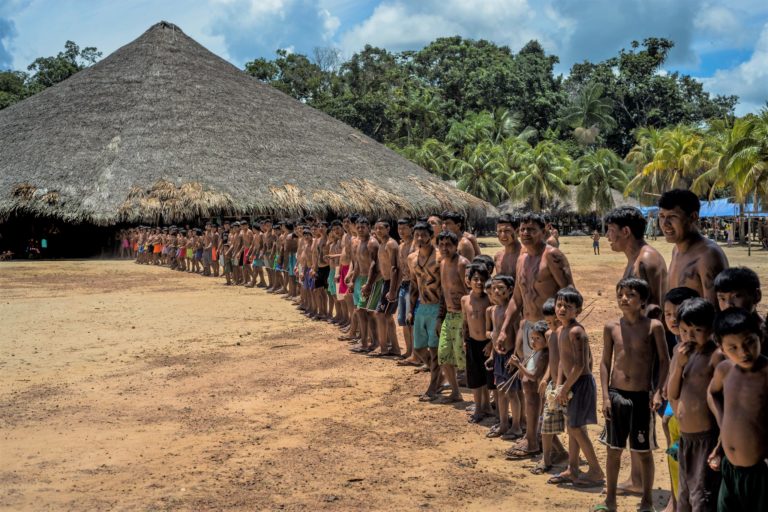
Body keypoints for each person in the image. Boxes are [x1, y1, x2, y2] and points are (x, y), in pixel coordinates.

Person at [596, 278, 669, 512]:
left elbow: (665, 361)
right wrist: (606, 396)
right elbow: (605, 363)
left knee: (644, 451)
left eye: (630, 295)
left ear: (643, 301)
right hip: (617, 395)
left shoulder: (654, 327)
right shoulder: (611, 327)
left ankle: (647, 500)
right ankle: (610, 500)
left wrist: (658, 392)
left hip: (642, 397)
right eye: (620, 294)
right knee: (613, 450)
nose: (624, 299)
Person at [667, 298, 724, 512]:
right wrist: (679, 366)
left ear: (711, 329)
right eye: (684, 330)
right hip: (686, 439)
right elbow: (672, 393)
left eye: (697, 330)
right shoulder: (679, 353)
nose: (689, 336)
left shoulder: (715, 355)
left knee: (703, 497)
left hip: (707, 438)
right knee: (686, 496)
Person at [708, 308, 768, 511]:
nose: (743, 352)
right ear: (721, 349)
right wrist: (722, 421)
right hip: (729, 468)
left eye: (749, 342)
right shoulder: (724, 370)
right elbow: (712, 393)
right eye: (732, 347)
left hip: (760, 472)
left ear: (760, 335)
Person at [549, 286, 604, 488]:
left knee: (575, 427)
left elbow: (581, 365)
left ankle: (596, 471)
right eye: (559, 304)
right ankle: (572, 468)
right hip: (569, 383)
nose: (562, 309)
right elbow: (564, 361)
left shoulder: (576, 331)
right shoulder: (560, 329)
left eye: (567, 306)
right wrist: (559, 385)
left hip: (580, 384)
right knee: (572, 427)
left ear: (577, 311)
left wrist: (565, 388)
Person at [661, 286, 700, 511]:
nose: (672, 319)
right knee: (675, 458)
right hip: (675, 413)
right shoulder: (677, 341)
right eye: (667, 314)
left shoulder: (700, 347)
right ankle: (675, 502)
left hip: (692, 420)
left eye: (678, 313)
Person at [658, 189, 728, 305]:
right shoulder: (676, 250)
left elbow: (715, 311)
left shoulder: (707, 256)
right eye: (662, 216)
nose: (665, 223)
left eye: (672, 216)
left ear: (693, 217)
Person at [605, 206, 668, 315]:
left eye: (611, 230)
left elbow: (652, 311)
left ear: (625, 231)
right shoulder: (636, 258)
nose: (607, 236)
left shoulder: (645, 259)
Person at [408, 222, 442, 401]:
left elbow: (445, 286)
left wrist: (443, 313)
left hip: (437, 306)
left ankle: (433, 387)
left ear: (431, 236)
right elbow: (414, 285)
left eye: (423, 235)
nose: (420, 238)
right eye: (417, 235)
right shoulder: (412, 258)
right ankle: (439, 375)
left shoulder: (440, 257)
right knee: (419, 348)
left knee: (434, 349)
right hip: (421, 307)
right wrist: (410, 309)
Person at [506, 320, 549, 459]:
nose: (533, 342)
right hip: (528, 394)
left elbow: (533, 375)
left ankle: (533, 445)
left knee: (534, 419)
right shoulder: (535, 352)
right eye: (532, 338)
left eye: (538, 338)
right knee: (531, 419)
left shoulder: (544, 355)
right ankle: (533, 442)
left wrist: (519, 365)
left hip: (534, 394)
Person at [535, 298, 568, 475]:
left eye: (555, 321)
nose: (553, 325)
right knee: (546, 424)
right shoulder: (549, 335)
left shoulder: (565, 333)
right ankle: (546, 459)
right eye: (549, 322)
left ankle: (571, 461)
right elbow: (552, 361)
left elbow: (564, 360)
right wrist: (546, 379)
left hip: (564, 387)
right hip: (552, 386)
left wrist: (559, 384)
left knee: (573, 427)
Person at [437, 230, 470, 403]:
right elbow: (444, 292)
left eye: (448, 244)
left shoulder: (462, 264)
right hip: (449, 316)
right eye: (441, 244)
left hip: (463, 317)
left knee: (465, 359)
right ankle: (455, 392)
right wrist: (439, 316)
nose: (444, 248)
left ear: (456, 245)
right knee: (443, 355)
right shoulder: (442, 263)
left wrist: (468, 324)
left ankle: (484, 400)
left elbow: (469, 293)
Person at [486, 274, 518, 438]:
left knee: (512, 393)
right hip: (498, 356)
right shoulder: (494, 310)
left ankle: (517, 427)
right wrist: (492, 354)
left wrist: (516, 357)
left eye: (501, 288)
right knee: (500, 391)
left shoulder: (512, 312)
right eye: (494, 288)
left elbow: (517, 335)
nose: (496, 291)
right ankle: (504, 423)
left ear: (510, 290)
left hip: (510, 356)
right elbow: (495, 335)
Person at [461, 264, 493, 422]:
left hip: (487, 345)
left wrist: (491, 344)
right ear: (468, 281)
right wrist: (464, 341)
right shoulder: (465, 300)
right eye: (475, 279)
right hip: (472, 343)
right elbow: (465, 323)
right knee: (475, 378)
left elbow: (495, 324)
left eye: (482, 279)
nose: (479, 282)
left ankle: (487, 406)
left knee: (488, 378)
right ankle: (478, 408)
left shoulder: (490, 300)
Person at [366, 219, 401, 357]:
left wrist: (392, 290)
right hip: (385, 282)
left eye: (381, 228)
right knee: (386, 316)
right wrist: (371, 283)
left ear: (388, 229)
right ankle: (394, 348)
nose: (378, 231)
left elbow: (395, 268)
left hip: (391, 283)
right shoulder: (382, 244)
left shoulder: (391, 244)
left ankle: (384, 348)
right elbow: (381, 268)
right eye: (376, 228)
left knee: (380, 315)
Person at [714, 267, 768, 354]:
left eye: (736, 296)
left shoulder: (765, 332)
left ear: (756, 296)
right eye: (722, 298)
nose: (728, 305)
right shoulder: (716, 334)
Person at [396, 219, 418, 365]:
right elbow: (399, 268)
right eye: (399, 229)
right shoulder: (401, 246)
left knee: (412, 321)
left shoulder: (415, 245)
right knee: (403, 321)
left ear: (411, 228)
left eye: (404, 228)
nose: (401, 231)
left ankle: (416, 354)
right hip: (403, 285)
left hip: (413, 285)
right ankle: (409, 350)